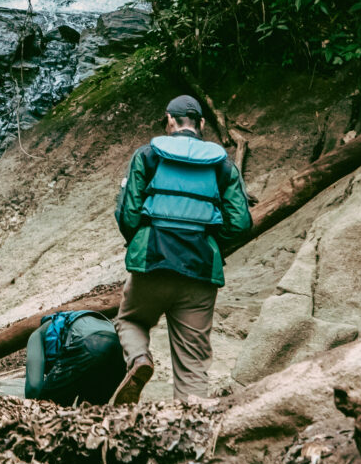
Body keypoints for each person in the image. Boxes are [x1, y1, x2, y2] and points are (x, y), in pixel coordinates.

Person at [111, 94, 252, 402]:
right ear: (202, 124)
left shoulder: (147, 155)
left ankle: (139, 361)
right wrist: (211, 242)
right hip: (200, 269)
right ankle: (191, 431)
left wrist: (143, 239)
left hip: (153, 262)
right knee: (193, 365)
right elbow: (241, 223)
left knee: (130, 320)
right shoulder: (223, 164)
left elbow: (128, 213)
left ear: (169, 121)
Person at [24, 309, 128, 405]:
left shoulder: (37, 334)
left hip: (90, 344)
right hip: (122, 351)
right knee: (89, 413)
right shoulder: (75, 321)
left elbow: (33, 388)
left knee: (48, 406)